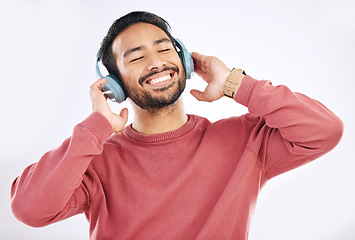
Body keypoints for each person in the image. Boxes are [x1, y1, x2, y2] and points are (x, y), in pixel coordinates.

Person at [10, 11, 343, 240]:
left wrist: (234, 83)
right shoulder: (94, 158)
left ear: (183, 61)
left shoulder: (244, 140)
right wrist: (95, 127)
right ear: (114, 83)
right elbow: (29, 209)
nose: (156, 62)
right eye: (136, 57)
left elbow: (324, 131)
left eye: (164, 49)